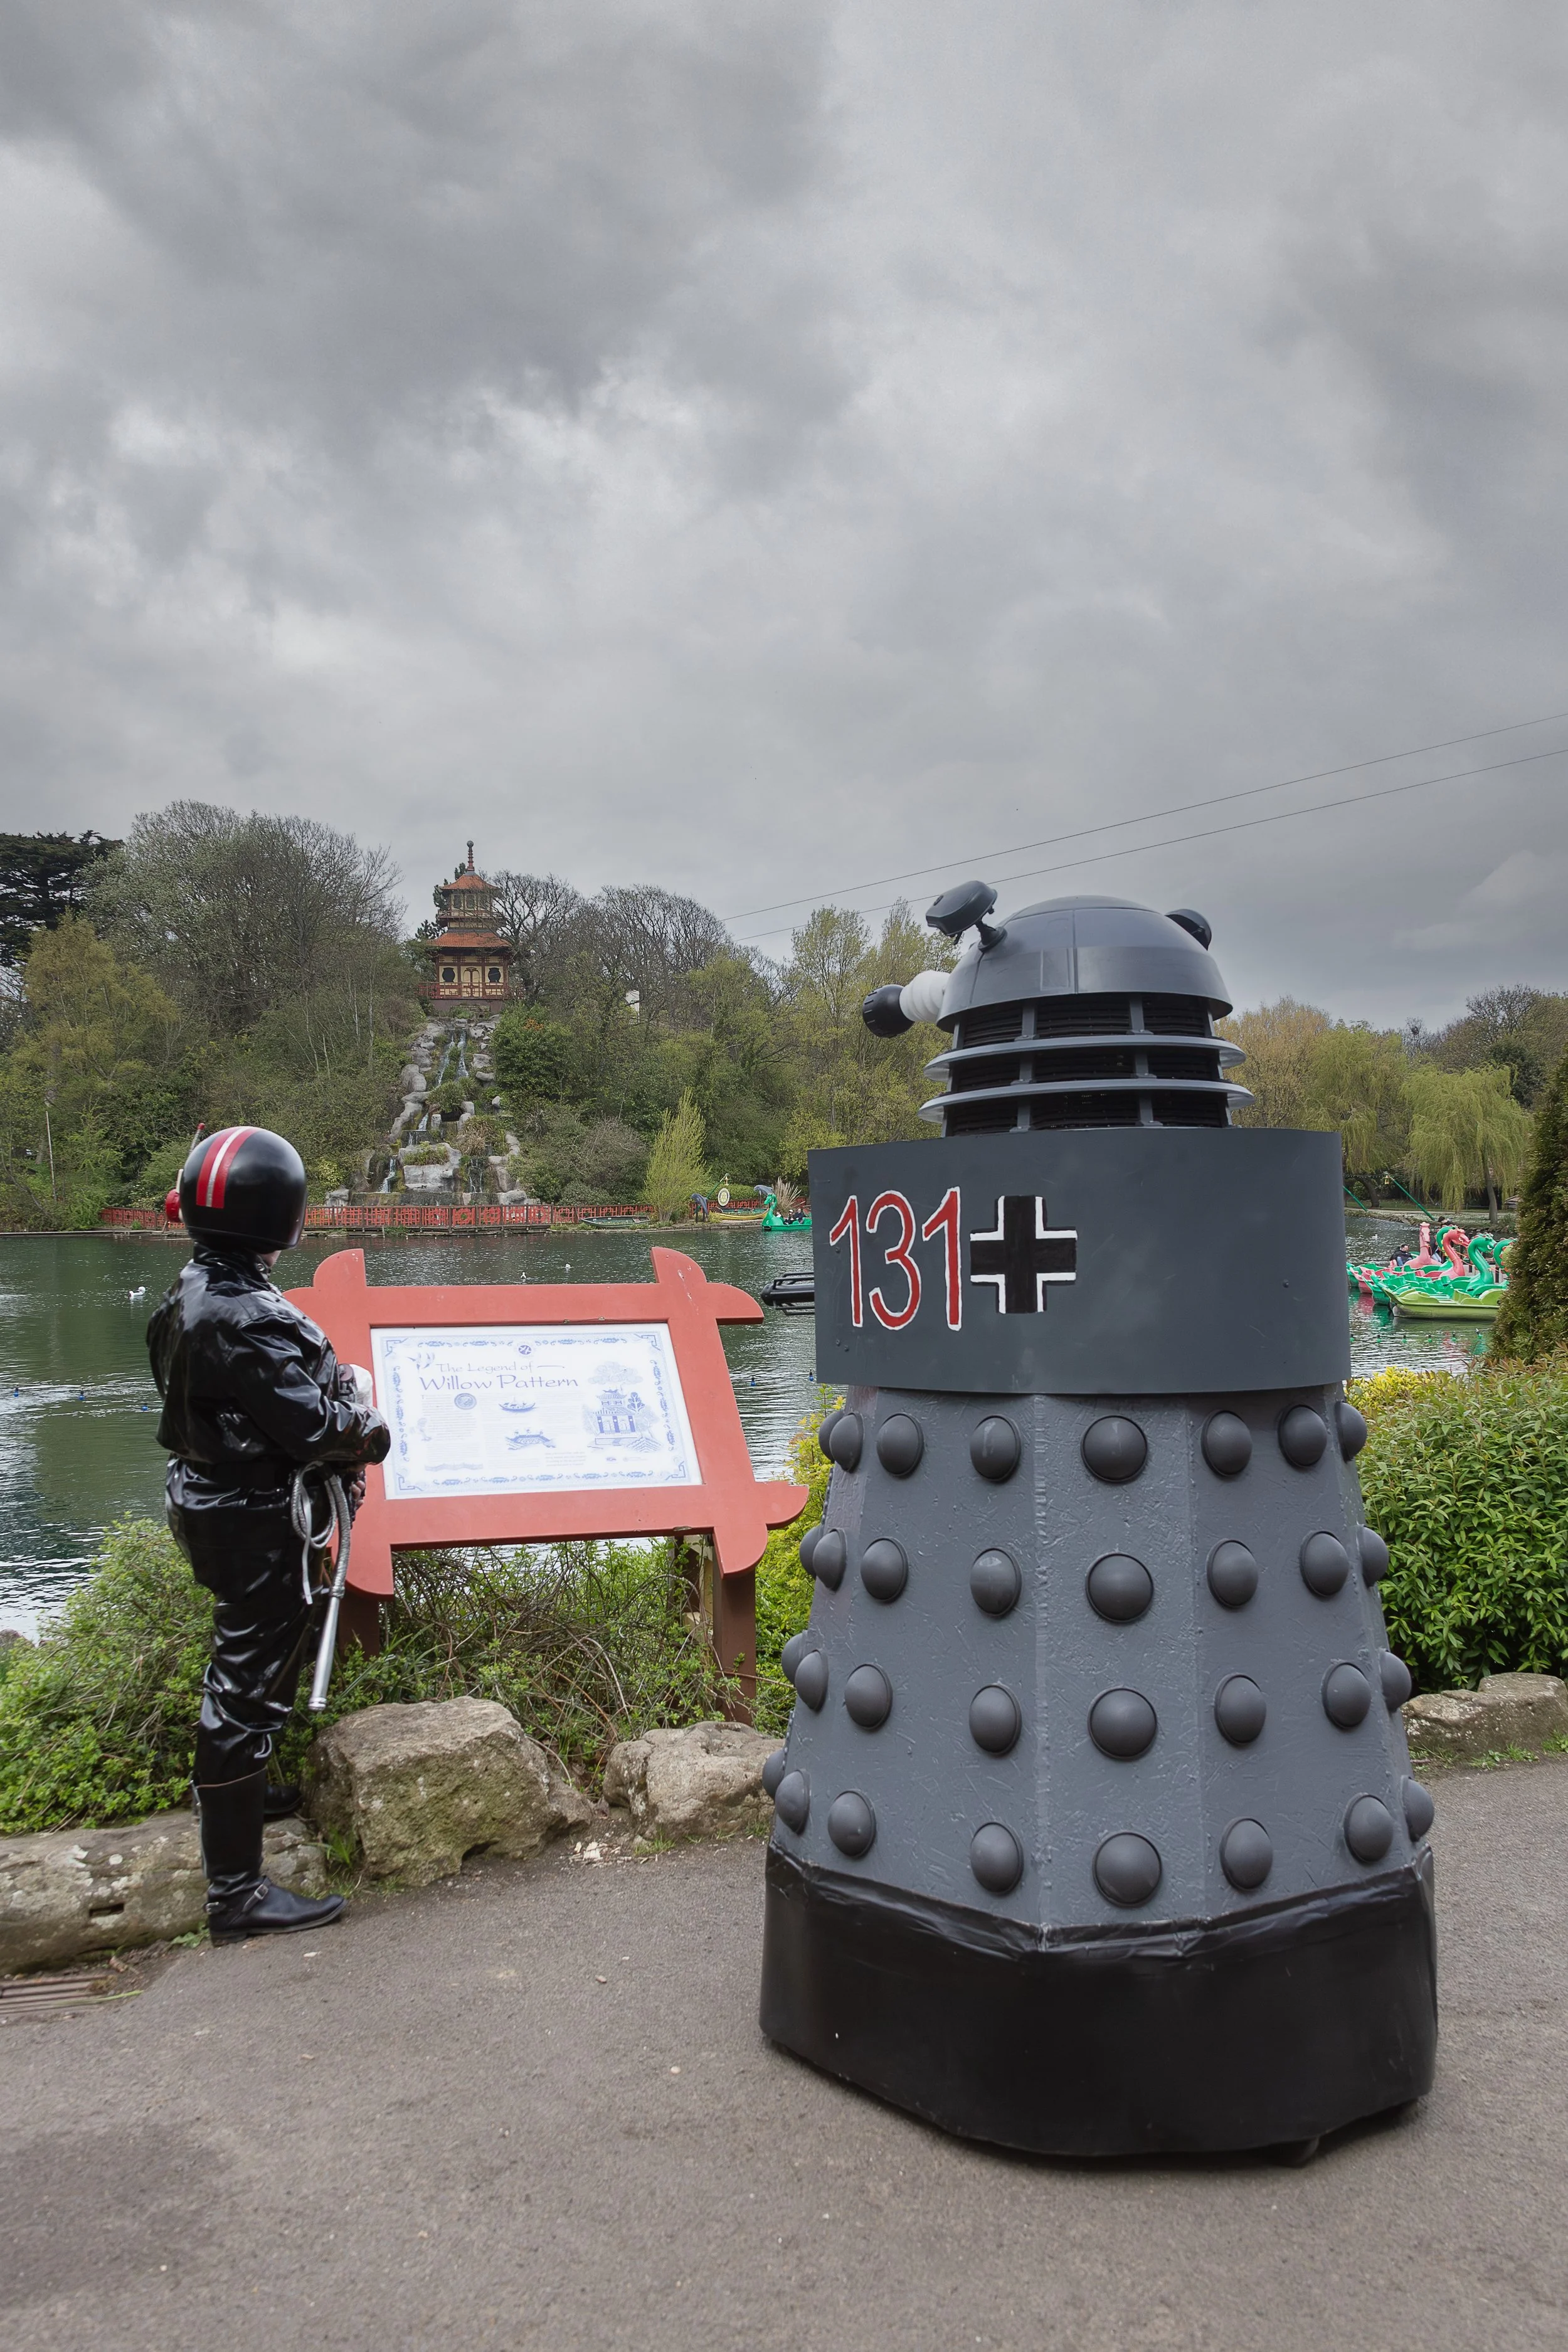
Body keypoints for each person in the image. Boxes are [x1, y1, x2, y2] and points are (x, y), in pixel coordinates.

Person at [147, 1126, 391, 1945]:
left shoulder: (190, 1292)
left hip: (214, 1501)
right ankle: (235, 1892)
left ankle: (242, 1789)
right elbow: (318, 1423)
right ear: (279, 1217)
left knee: (246, 1657)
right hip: (254, 1517)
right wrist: (368, 1424)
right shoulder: (245, 1317)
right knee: (247, 1676)